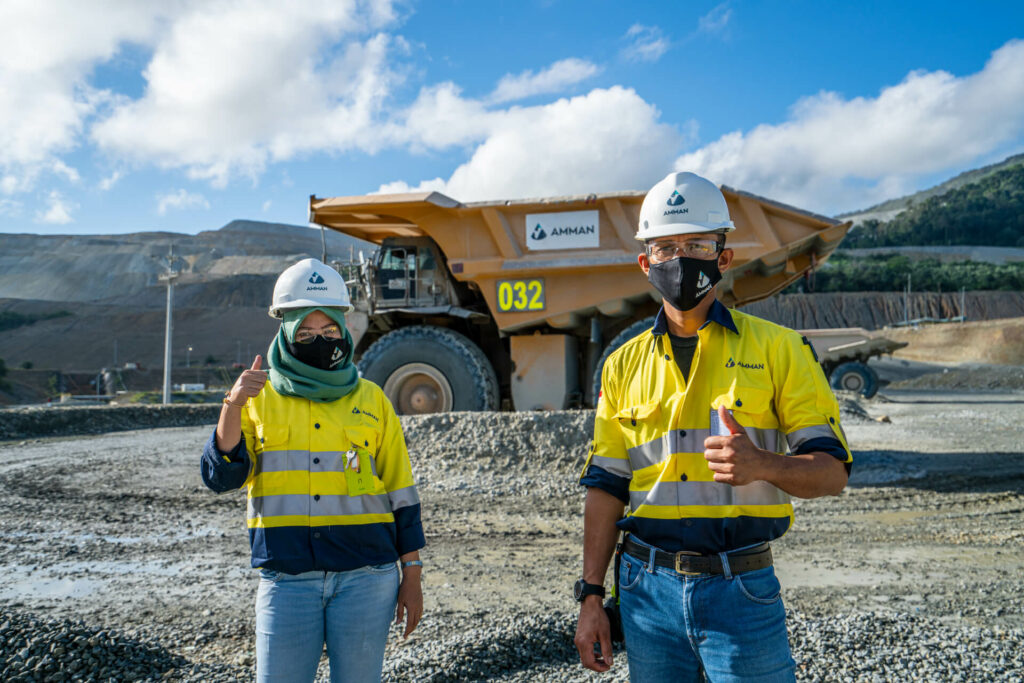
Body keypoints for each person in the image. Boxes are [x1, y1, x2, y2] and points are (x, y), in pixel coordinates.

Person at [573, 172, 852, 682]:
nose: (680, 259)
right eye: (666, 247)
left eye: (697, 244)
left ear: (723, 258)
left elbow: (833, 473)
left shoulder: (779, 350)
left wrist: (763, 464)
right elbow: (607, 487)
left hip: (740, 591)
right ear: (646, 263)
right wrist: (592, 595)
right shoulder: (620, 366)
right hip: (644, 596)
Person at [201, 258, 425, 683]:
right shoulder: (258, 397)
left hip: (367, 578)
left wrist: (411, 574)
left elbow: (400, 491)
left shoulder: (373, 399)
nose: (319, 341)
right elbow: (222, 476)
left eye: (328, 332)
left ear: (343, 329)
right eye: (305, 333)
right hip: (287, 581)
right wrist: (232, 404)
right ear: (284, 331)